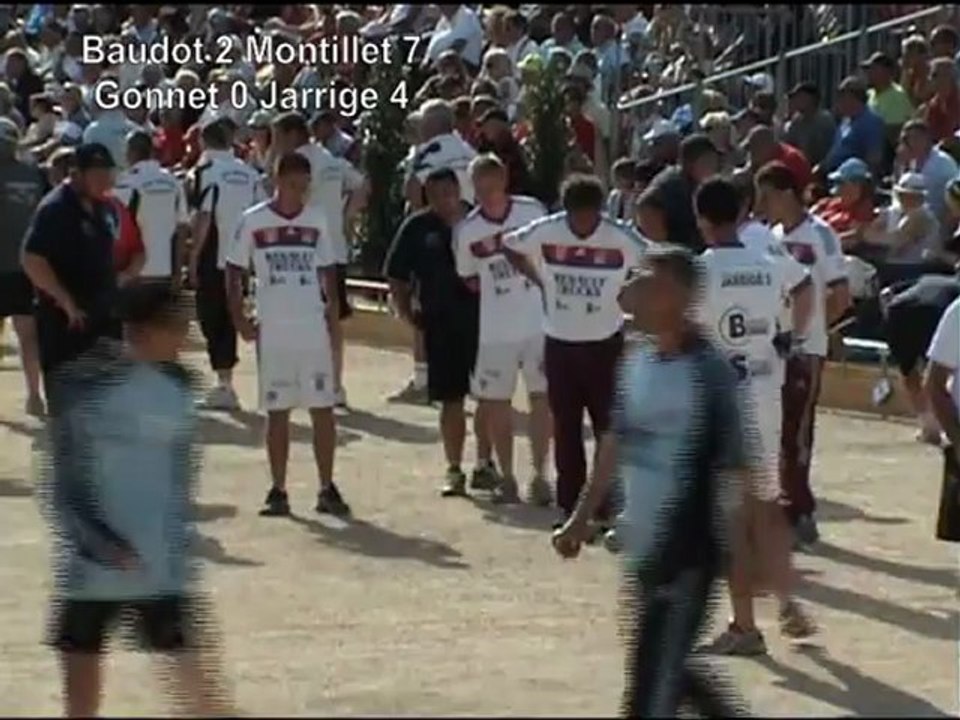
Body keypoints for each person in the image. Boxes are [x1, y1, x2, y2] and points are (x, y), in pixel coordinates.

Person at [551, 244, 750, 718]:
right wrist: (580, 518)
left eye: (643, 280)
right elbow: (614, 443)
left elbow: (738, 471)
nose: (629, 290)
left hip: (685, 555)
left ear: (672, 296)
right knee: (671, 670)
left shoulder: (708, 374)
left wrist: (757, 563)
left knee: (649, 694)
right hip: (644, 551)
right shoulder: (636, 359)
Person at [41, 280, 234, 718]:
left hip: (159, 570)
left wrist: (179, 543)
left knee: (204, 700)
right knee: (81, 707)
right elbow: (65, 483)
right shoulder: (84, 386)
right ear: (145, 330)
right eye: (179, 326)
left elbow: (180, 477)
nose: (187, 336)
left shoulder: (181, 388)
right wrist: (101, 544)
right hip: (92, 573)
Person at [693, 177, 817, 655]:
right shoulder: (768, 261)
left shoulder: (700, 272)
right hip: (765, 395)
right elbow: (805, 289)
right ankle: (785, 601)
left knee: (733, 522)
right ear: (742, 213)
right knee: (761, 510)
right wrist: (792, 337)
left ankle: (745, 626)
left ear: (702, 218)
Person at [503, 174, 646, 528]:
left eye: (589, 217)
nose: (582, 225)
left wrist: (629, 293)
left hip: (605, 345)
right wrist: (539, 280)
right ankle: (570, 508)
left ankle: (609, 506)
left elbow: (656, 262)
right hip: (561, 344)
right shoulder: (548, 229)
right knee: (566, 428)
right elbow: (510, 245)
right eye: (576, 217)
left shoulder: (620, 235)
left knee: (607, 428)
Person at [225, 151, 350, 519]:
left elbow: (328, 269)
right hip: (274, 329)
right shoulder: (253, 221)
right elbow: (233, 270)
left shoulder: (317, 220)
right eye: (294, 184)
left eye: (305, 185)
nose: (300, 192)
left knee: (322, 408)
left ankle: (326, 486)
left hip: (311, 328)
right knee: (277, 410)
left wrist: (332, 313)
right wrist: (239, 316)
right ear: (277, 181)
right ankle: (278, 489)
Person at [756, 161, 851, 548]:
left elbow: (840, 294)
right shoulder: (769, 237)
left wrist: (813, 334)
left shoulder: (821, 236)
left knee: (797, 431)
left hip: (803, 350)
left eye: (767, 195)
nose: (762, 204)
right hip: (774, 346)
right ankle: (786, 507)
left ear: (786, 194)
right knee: (775, 429)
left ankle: (800, 511)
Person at [385, 167, 496, 497]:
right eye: (434, 195)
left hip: (485, 320)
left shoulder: (479, 222)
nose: (443, 200)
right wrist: (406, 311)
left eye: (448, 192)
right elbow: (397, 275)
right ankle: (454, 468)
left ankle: (485, 463)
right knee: (451, 399)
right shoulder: (417, 228)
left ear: (458, 190)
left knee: (489, 395)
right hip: (440, 322)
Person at [454, 154, 551, 505]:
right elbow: (468, 278)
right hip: (495, 331)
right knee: (496, 403)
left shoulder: (532, 212)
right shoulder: (467, 231)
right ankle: (507, 477)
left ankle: (541, 475)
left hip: (538, 323)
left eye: (493, 181)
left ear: (505, 178)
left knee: (542, 399)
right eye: (480, 184)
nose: (487, 190)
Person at [271, 112, 368, 409]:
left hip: (303, 250)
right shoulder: (330, 159)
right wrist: (346, 216)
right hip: (334, 248)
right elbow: (363, 186)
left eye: (277, 136)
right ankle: (335, 385)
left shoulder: (294, 163)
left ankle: (303, 380)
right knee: (332, 320)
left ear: (290, 135)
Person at [21, 142, 122, 411]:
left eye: (107, 174)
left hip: (102, 317)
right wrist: (65, 300)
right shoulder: (55, 209)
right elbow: (32, 259)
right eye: (97, 175)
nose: (105, 181)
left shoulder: (106, 207)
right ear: (77, 174)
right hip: (66, 321)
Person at [395, 99, 479, 404]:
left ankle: (422, 378)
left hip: (436, 237)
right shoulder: (470, 151)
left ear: (431, 126)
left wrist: (420, 227)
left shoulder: (428, 153)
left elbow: (413, 192)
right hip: (470, 234)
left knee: (424, 305)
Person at [187, 118, 264, 411]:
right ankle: (228, 383)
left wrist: (193, 258)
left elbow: (203, 217)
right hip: (243, 256)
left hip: (214, 253)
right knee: (232, 315)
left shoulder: (204, 173)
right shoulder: (248, 173)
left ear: (204, 142)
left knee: (213, 318)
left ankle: (224, 384)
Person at [0, 116, 47, 416]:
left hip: (8, 263)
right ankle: (34, 395)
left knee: (26, 334)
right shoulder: (34, 175)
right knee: (28, 334)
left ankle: (34, 395)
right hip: (26, 265)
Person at [886, 274, 960, 445]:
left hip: (897, 309)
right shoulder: (956, 297)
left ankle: (928, 425)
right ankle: (938, 426)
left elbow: (885, 293)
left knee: (909, 370)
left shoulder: (926, 278)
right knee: (937, 369)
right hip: (933, 312)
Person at [113, 130, 190, 285]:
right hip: (166, 272)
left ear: (130, 152)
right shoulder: (173, 183)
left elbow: (115, 230)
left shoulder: (126, 184)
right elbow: (181, 229)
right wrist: (177, 271)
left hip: (133, 274)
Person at [640, 134, 720, 253]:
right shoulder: (672, 185)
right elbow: (645, 206)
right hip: (676, 257)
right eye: (707, 161)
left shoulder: (706, 186)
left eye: (714, 161)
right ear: (688, 164)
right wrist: (663, 248)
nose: (713, 167)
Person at [783, 82, 837, 170]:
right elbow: (789, 145)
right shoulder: (796, 120)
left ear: (812, 99)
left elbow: (828, 151)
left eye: (800, 97)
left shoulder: (825, 120)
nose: (796, 100)